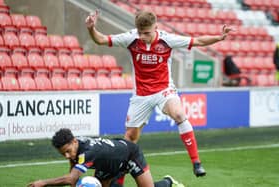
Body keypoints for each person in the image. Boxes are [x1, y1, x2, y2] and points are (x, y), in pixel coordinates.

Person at [85, 9, 233, 183]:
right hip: (141, 95)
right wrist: (91, 28)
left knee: (179, 114)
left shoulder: (167, 39)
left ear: (156, 27)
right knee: (130, 139)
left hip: (163, 90)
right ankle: (119, 181)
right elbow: (101, 40)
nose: (142, 37)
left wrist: (219, 37)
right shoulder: (131, 38)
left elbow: (198, 41)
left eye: (146, 33)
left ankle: (196, 162)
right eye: (140, 33)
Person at [27, 128, 185, 187]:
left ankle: (168, 182)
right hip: (108, 164)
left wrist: (43, 183)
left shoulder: (86, 152)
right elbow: (72, 177)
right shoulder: (75, 146)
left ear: (74, 142)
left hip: (129, 154)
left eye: (68, 151)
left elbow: (70, 179)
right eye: (64, 154)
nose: (68, 155)